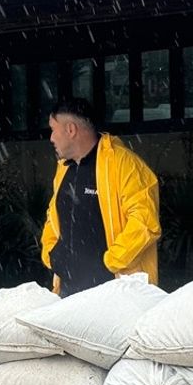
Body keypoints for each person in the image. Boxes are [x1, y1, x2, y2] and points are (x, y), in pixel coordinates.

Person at [40, 98, 161, 294]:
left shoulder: (124, 164)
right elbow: (52, 217)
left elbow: (145, 222)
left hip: (115, 294)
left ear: (71, 130)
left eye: (53, 129)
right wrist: (51, 255)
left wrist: (109, 262)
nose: (51, 138)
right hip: (68, 293)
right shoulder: (64, 169)